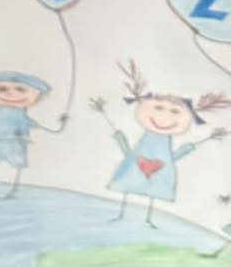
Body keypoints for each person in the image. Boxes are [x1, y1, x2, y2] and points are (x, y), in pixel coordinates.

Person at [92, 59, 230, 228]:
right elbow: (134, 153)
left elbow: (171, 157)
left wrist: (189, 147)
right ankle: (123, 214)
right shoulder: (147, 138)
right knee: (130, 185)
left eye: (174, 111)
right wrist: (119, 138)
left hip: (157, 168)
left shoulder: (165, 141)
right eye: (158, 108)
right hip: (137, 164)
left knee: (152, 189)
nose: (165, 117)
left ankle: (147, 219)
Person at [0, 70, 63, 198]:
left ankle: (13, 190)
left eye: (21, 89)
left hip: (14, 143)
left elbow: (45, 128)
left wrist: (60, 124)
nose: (10, 93)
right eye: (2, 89)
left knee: (16, 164)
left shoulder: (22, 116)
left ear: (36, 94)